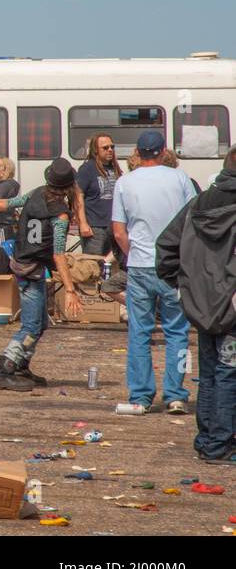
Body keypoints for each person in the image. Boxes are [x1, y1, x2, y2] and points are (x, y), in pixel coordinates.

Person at [0, 158, 84, 391]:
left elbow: (5, 204)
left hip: (24, 263)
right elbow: (59, 253)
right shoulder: (60, 214)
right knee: (32, 325)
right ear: (68, 186)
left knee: (41, 322)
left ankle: (22, 364)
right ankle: (6, 366)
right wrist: (71, 290)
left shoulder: (36, 194)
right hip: (30, 270)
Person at [157, 148, 236, 461]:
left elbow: (165, 246)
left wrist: (182, 285)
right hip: (231, 305)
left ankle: (207, 440)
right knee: (228, 374)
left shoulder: (197, 204)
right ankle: (220, 444)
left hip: (201, 303)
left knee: (210, 373)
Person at [111, 131, 197, 414]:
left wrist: (131, 253)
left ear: (138, 152)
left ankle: (140, 396)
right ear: (162, 151)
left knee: (139, 331)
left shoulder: (124, 182)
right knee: (178, 332)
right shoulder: (179, 178)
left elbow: (119, 230)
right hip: (173, 266)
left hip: (139, 265)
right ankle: (176, 394)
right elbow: (193, 221)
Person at [77, 133, 123, 259]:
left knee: (113, 265)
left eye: (112, 147)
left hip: (114, 226)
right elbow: (78, 196)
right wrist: (83, 223)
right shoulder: (87, 169)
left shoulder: (116, 168)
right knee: (93, 264)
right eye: (105, 147)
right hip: (95, 227)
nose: (110, 150)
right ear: (95, 150)